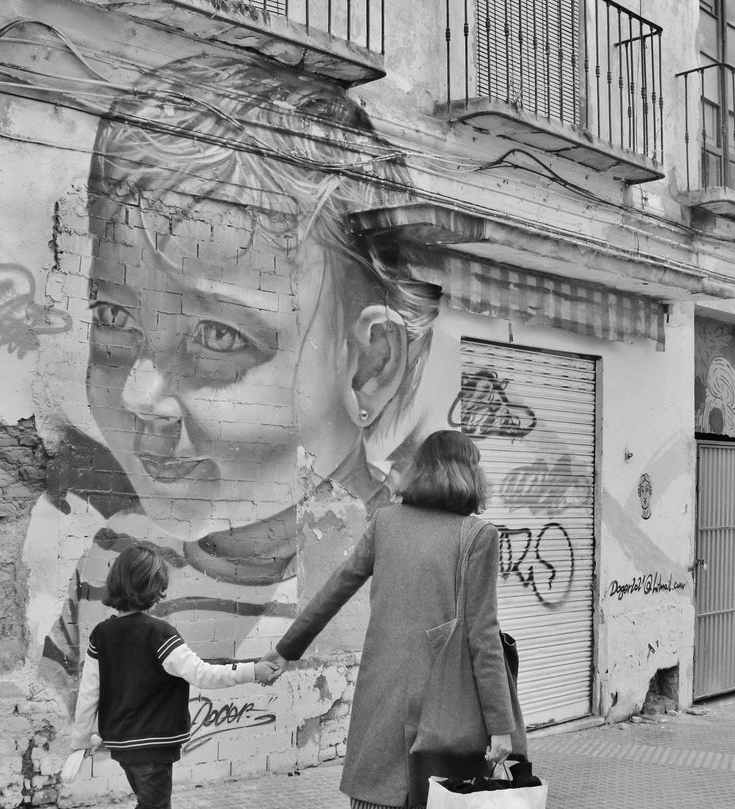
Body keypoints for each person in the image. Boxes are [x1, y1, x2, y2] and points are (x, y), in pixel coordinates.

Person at [22, 52, 442, 715]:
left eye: (216, 336)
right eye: (112, 317)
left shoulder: (394, 572)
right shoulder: (115, 559)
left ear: (369, 364)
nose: (138, 394)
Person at [263, 430, 543, 809]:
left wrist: (286, 650)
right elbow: (483, 636)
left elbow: (338, 585)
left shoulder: (386, 522)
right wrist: (502, 724)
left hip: (384, 691)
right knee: (464, 795)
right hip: (449, 698)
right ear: (467, 474)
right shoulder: (478, 536)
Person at [66, 544, 276, 809]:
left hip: (122, 745)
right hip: (155, 743)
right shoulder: (159, 633)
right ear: (155, 588)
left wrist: (80, 741)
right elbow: (202, 674)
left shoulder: (102, 634)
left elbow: (88, 693)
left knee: (146, 804)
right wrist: (251, 670)